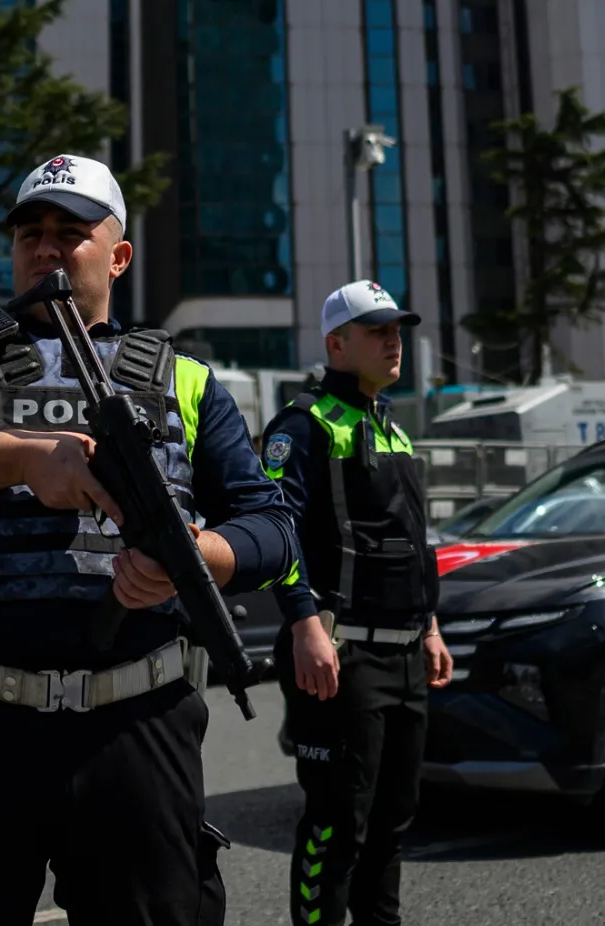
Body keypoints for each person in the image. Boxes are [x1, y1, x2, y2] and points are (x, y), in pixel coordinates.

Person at [0, 153, 298, 926]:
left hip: (137, 721)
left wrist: (189, 560)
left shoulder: (186, 379)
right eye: (29, 232)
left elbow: (271, 528)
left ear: (118, 256)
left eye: (69, 233)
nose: (43, 248)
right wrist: (14, 457)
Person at [262, 280, 453, 926]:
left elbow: (409, 539)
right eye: (378, 330)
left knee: (393, 824)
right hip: (341, 655)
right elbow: (274, 532)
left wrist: (429, 625)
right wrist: (304, 626)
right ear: (336, 344)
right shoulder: (304, 424)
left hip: (405, 655)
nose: (394, 340)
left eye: (397, 328)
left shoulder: (391, 426)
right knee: (336, 823)